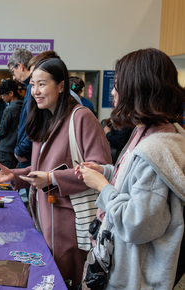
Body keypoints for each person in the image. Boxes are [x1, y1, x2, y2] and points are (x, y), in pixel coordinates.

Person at [0, 58, 111, 289]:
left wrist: (53, 179)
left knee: (67, 279)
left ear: (61, 86)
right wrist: (14, 175)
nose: (35, 92)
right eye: (32, 85)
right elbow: (39, 172)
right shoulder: (44, 118)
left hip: (70, 223)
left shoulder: (81, 117)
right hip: (44, 217)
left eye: (42, 84)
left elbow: (99, 170)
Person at [76, 48, 185, 290]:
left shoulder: (156, 149)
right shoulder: (148, 131)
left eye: (117, 85)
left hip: (134, 275)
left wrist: (103, 187)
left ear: (138, 88)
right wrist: (107, 172)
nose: (113, 92)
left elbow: (138, 224)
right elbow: (136, 184)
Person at [7, 47, 34, 168]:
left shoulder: (33, 88)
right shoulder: (29, 87)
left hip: (28, 153)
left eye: (13, 72)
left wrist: (20, 150)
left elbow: (34, 124)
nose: (13, 77)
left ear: (20, 66)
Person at [0, 79, 23, 169]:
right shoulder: (23, 106)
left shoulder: (10, 109)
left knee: (4, 180)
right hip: (16, 147)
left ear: (11, 93)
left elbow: (2, 129)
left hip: (6, 148)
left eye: (3, 95)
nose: (2, 97)